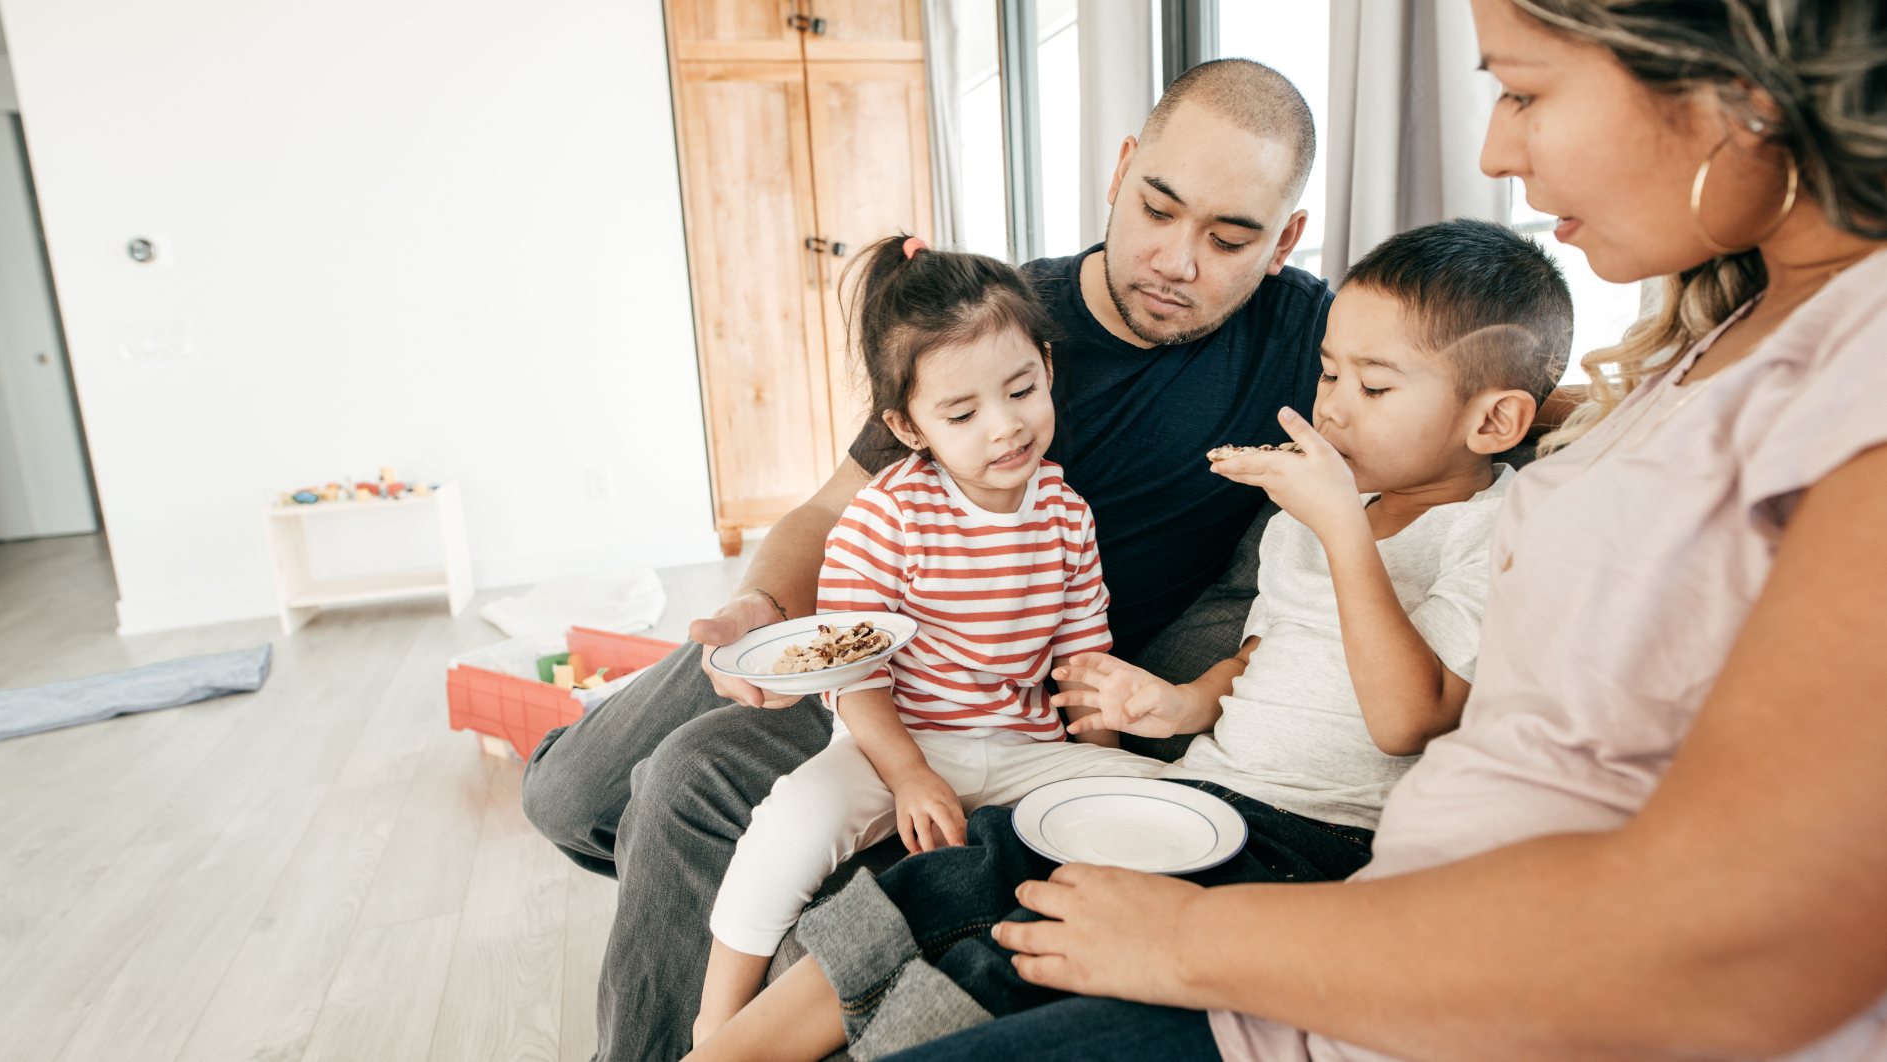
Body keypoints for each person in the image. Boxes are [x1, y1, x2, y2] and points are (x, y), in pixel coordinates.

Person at [769, 2, 1887, 1059]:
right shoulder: (1717, 333)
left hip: (1394, 936)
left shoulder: (1857, 380)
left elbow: (1758, 931)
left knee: (975, 957)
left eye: (1525, 91)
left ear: (1730, 83)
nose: (1497, 150)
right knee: (887, 870)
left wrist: (1182, 939)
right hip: (1381, 897)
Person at [522, 58, 1334, 1062]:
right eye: (1158, 208)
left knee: (685, 782)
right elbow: (829, 509)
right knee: (565, 796)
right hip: (868, 628)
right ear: (1121, 170)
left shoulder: (1303, 334)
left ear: (1286, 239)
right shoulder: (1001, 325)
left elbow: (1474, 354)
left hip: (991, 694)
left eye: (1229, 238)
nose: (1177, 259)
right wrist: (757, 604)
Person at [684, 218, 1574, 1062]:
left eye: (1371, 388)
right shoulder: (1306, 521)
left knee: (1025, 947)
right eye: (1329, 374)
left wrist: (1343, 531)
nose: (1331, 410)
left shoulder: (1491, 533)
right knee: (964, 875)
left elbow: (1405, 719)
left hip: (1313, 841)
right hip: (1208, 786)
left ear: (1495, 423)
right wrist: (1182, 700)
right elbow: (1261, 661)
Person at [693, 234, 1172, 1041]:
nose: (1006, 428)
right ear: (907, 426)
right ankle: (714, 1026)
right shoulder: (886, 518)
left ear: (1047, 369)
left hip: (1021, 743)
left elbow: (1082, 664)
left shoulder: (1065, 511)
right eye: (961, 412)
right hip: (898, 740)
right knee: (794, 818)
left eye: (1022, 389)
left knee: (1159, 801)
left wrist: (1111, 759)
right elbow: (858, 683)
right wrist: (911, 777)